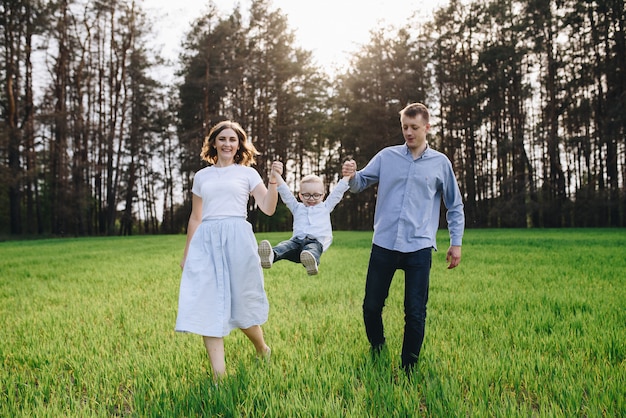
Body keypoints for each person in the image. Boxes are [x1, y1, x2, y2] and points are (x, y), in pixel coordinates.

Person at [342, 102, 465, 375]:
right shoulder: (387, 157)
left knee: (415, 312)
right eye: (404, 127)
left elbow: (454, 205)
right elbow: (360, 183)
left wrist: (455, 243)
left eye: (414, 128)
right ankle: (378, 346)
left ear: (427, 128)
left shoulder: (440, 163)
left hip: (418, 247)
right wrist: (351, 175)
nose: (408, 133)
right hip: (384, 244)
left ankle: (409, 367)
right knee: (371, 306)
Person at [175, 120, 283, 381]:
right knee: (208, 305)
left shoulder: (247, 174)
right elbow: (195, 217)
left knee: (242, 304)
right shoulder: (202, 176)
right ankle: (219, 376)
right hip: (207, 241)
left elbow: (268, 208)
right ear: (214, 142)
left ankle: (262, 348)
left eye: (233, 139)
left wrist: (273, 183)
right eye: (222, 139)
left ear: (239, 145)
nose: (227, 143)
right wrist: (187, 253)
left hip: (238, 239)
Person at [258, 170, 352, 275]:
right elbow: (285, 193)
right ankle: (271, 256)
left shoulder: (326, 207)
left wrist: (347, 177)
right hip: (296, 242)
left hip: (316, 242)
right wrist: (276, 175)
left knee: (311, 249)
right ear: (301, 196)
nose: (311, 199)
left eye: (316, 195)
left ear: (323, 196)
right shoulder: (297, 207)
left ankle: (311, 262)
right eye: (307, 195)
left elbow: (337, 193)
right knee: (285, 246)